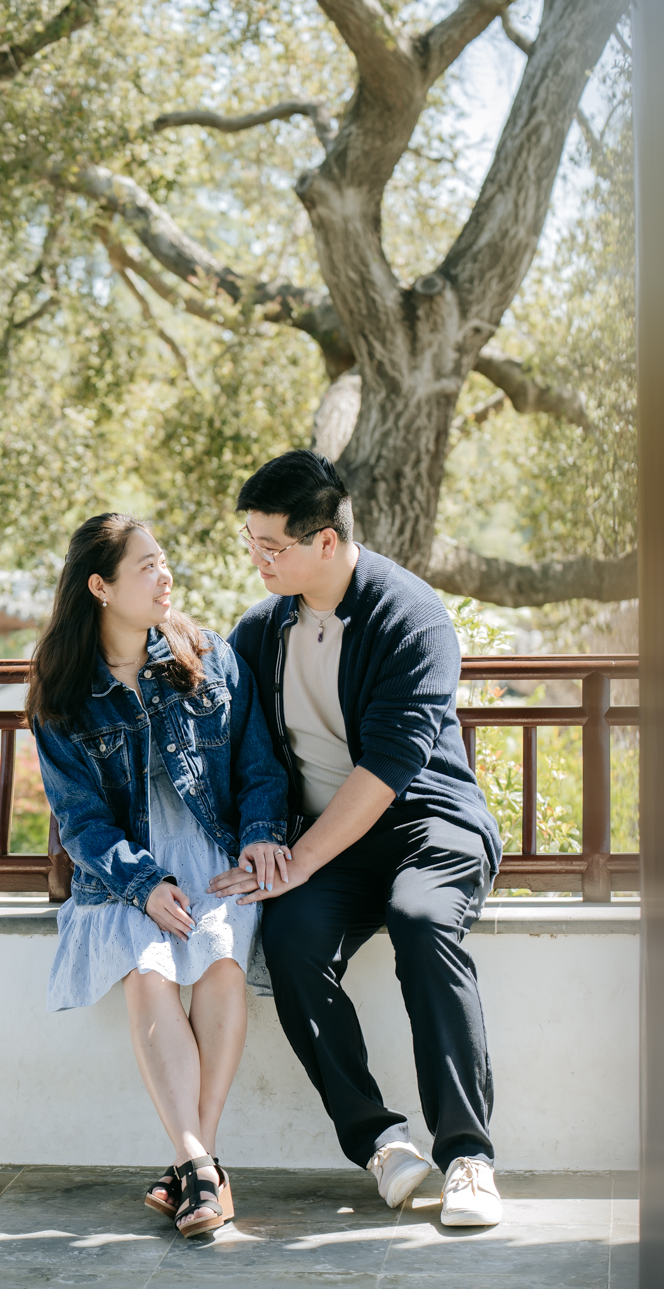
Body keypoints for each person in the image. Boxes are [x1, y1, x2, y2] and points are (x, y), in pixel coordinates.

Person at [209, 450, 504, 1227]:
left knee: (420, 919)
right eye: (252, 544)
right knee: (292, 934)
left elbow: (387, 770)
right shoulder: (258, 632)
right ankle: (380, 1143)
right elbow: (246, 751)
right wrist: (268, 845)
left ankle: (469, 1155)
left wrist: (297, 861)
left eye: (273, 547)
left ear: (327, 542)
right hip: (326, 841)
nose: (259, 560)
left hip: (427, 822)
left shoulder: (413, 618)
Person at [28, 513, 289, 1237]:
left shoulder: (207, 655)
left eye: (163, 561)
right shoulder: (62, 690)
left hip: (211, 854)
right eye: (146, 567)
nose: (165, 576)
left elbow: (258, 765)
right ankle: (206, 1169)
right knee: (149, 974)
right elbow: (81, 822)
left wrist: (262, 837)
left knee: (222, 965)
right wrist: (142, 884)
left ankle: (193, 1168)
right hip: (121, 871)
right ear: (101, 587)